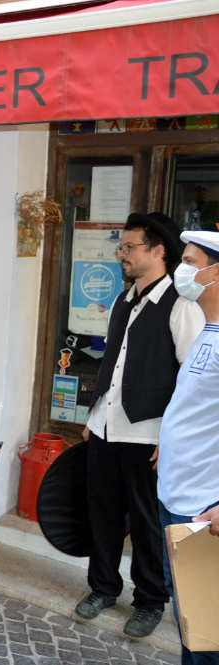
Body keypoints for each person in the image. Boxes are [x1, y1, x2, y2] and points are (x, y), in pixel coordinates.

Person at [75, 212, 204, 638]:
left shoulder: (182, 305)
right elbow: (114, 362)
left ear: (158, 251)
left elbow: (192, 377)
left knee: (147, 523)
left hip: (149, 435)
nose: (122, 254)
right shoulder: (123, 298)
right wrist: (96, 416)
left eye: (130, 247)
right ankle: (103, 587)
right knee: (104, 515)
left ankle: (150, 601)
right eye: (122, 247)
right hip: (107, 429)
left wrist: (171, 437)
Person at [157, 230, 219, 664]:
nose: (183, 270)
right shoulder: (208, 329)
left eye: (191, 261)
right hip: (177, 500)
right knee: (192, 627)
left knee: (208, 635)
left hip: (204, 510)